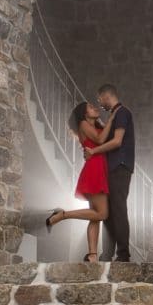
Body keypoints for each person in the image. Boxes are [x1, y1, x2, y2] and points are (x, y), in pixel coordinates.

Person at [45, 101, 112, 262]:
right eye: (90, 107)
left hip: (98, 168)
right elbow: (100, 139)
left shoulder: (94, 124)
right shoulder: (83, 124)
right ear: (84, 113)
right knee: (102, 214)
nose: (95, 108)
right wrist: (111, 120)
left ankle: (92, 255)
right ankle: (63, 215)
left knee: (94, 216)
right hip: (95, 169)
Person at [84, 83, 134, 262]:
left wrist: (94, 152)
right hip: (111, 168)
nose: (100, 104)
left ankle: (123, 254)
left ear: (106, 96)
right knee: (108, 213)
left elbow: (117, 141)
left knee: (118, 209)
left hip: (120, 167)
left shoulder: (122, 113)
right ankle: (107, 254)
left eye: (100, 100)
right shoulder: (114, 115)